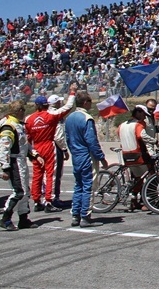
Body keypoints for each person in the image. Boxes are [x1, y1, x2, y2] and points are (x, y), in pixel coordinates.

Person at [24, 85, 76, 213]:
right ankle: (49, 200)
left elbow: (27, 138)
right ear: (46, 105)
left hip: (36, 147)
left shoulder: (28, 119)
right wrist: (72, 93)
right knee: (50, 175)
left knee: (37, 175)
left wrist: (31, 153)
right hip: (48, 145)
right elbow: (68, 107)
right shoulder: (51, 115)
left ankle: (36, 201)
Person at [65, 91, 108, 227]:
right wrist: (101, 157)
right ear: (85, 103)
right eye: (90, 102)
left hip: (76, 155)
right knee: (88, 186)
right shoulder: (86, 118)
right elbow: (91, 141)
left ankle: (75, 215)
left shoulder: (69, 118)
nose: (91, 104)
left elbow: (67, 138)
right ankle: (85, 216)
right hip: (86, 155)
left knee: (78, 186)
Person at [0, 100, 40, 230]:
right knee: (19, 192)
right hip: (14, 162)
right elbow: (3, 149)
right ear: (18, 111)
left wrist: (35, 154)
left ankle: (23, 219)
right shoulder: (9, 126)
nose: (24, 113)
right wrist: (5, 168)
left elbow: (24, 144)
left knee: (26, 191)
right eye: (23, 110)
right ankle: (5, 219)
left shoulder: (18, 125)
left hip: (21, 161)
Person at [116, 105, 159, 211]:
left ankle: (134, 200)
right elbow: (141, 136)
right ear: (138, 113)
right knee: (151, 175)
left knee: (137, 178)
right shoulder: (138, 125)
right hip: (138, 155)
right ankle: (148, 200)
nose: (144, 118)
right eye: (144, 115)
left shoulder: (122, 125)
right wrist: (154, 141)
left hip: (126, 155)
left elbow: (119, 135)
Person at [48, 94, 71, 207]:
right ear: (55, 103)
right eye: (59, 102)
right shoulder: (55, 114)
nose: (60, 103)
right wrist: (64, 149)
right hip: (55, 146)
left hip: (49, 145)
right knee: (56, 173)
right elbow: (58, 135)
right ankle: (53, 198)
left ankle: (47, 197)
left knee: (50, 174)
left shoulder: (49, 113)